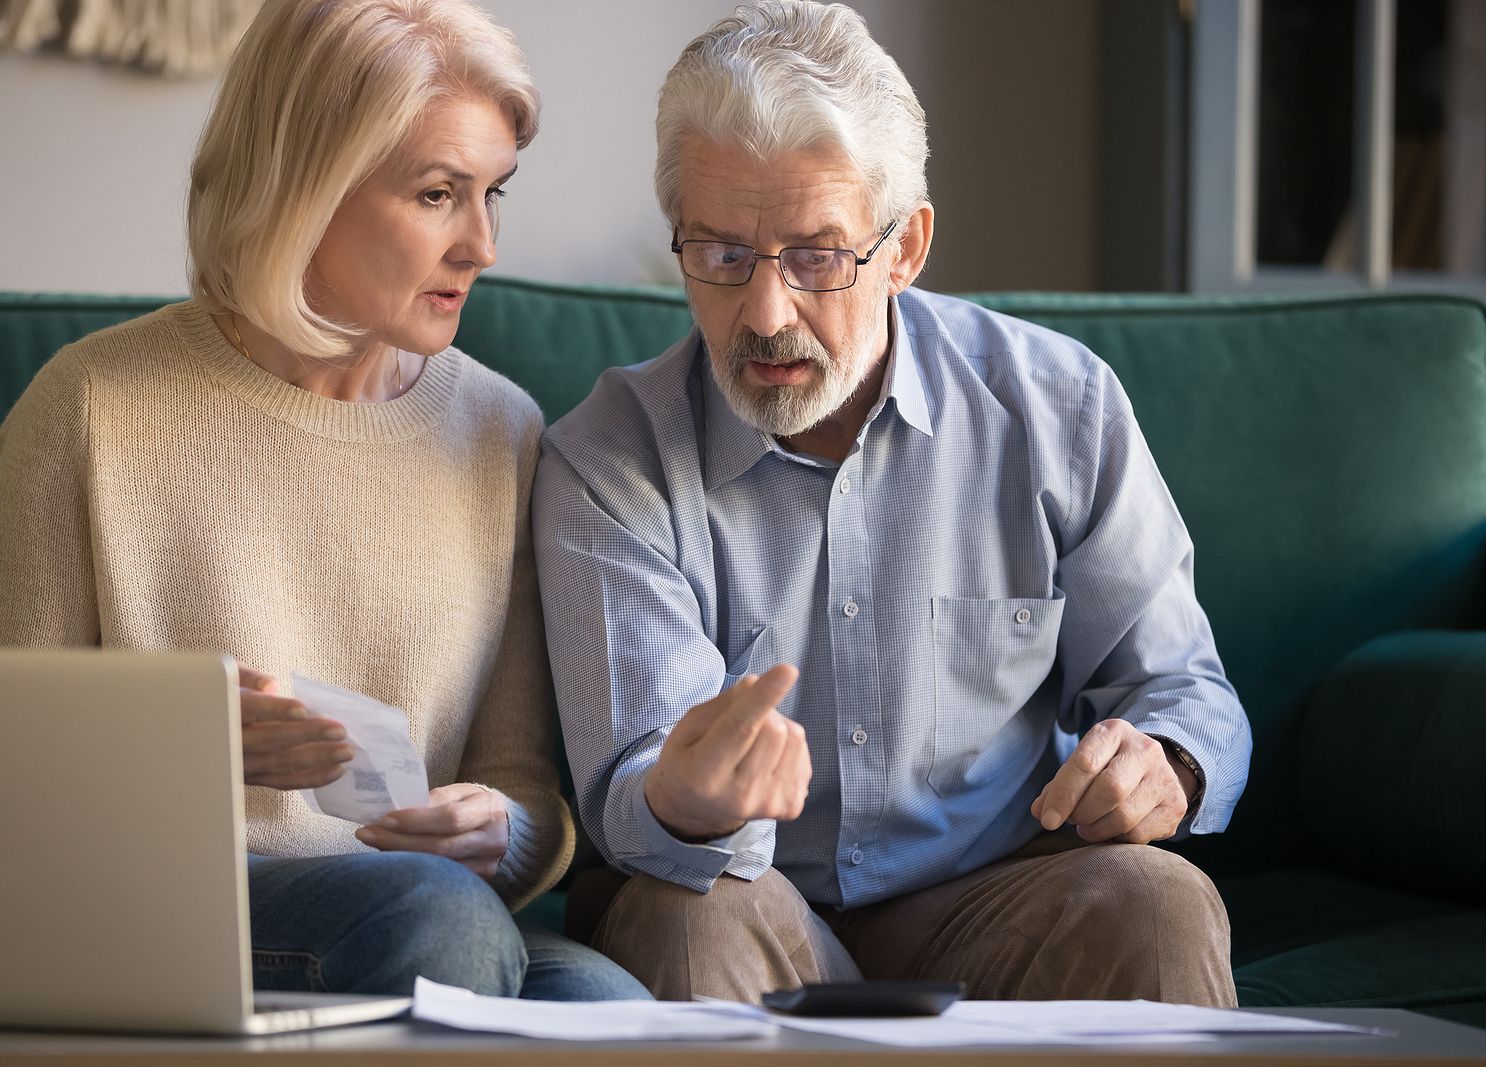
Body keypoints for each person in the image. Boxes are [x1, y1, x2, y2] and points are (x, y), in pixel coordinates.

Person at [535, 0, 1252, 1005]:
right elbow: (633, 786)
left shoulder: (1059, 407)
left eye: (817, 255)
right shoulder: (608, 459)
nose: (765, 312)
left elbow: (1182, 686)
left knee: (1157, 898)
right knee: (685, 911)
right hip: (744, 885)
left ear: (906, 246)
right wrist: (683, 800)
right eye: (722, 255)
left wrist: (1165, 762)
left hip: (998, 892)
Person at [0, 0, 645, 1002]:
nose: (482, 246)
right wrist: (180, 747)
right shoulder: (89, 407)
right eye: (437, 194)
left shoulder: (501, 431)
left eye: (493, 192)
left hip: (424, 908)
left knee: (605, 1006)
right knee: (439, 921)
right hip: (157, 903)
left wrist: (500, 829)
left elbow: (523, 788)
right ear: (303, 189)